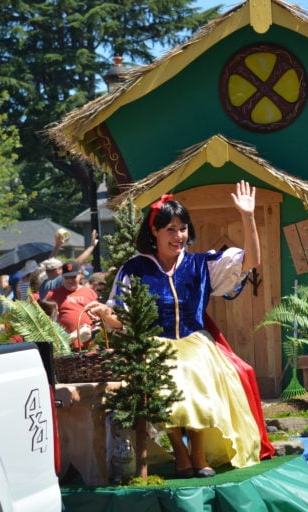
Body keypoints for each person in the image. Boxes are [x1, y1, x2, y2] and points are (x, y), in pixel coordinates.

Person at [83, 181, 273, 478]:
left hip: (195, 343)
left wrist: (247, 216)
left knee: (193, 371)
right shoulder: (134, 269)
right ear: (154, 232)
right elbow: (126, 322)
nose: (179, 236)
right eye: (170, 229)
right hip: (153, 343)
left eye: (183, 228)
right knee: (166, 372)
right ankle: (181, 453)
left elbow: (252, 261)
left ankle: (197, 454)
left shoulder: (201, 264)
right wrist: (106, 314)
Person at [45, 260, 98, 350]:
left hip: (89, 344)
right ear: (62, 276)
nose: (70, 280)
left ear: (80, 275)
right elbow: (45, 318)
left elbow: (98, 315)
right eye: (67, 277)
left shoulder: (89, 292)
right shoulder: (52, 294)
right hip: (66, 346)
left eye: (73, 277)